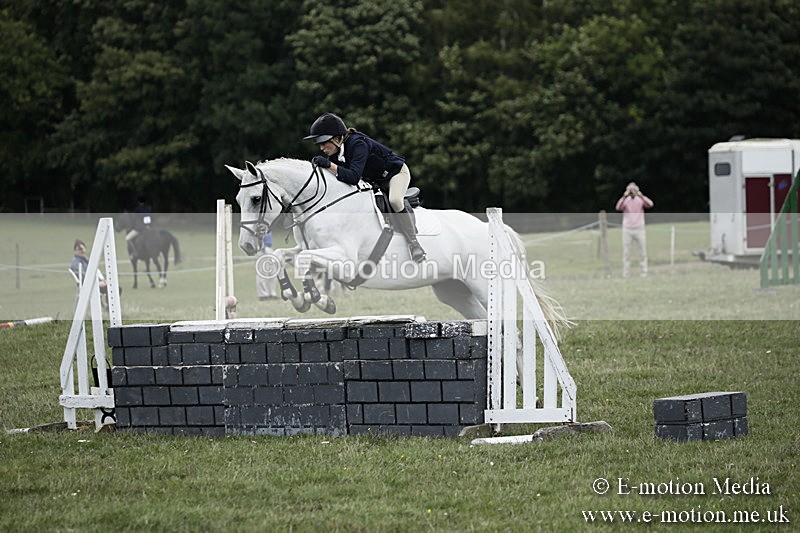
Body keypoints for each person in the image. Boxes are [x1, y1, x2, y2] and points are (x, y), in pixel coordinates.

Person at [304, 112, 426, 263]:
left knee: (394, 200)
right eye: (319, 144)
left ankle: (414, 244)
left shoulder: (357, 144)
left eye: (324, 143)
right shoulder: (336, 153)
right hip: (374, 180)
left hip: (395, 173)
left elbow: (353, 177)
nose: (322, 147)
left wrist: (329, 165)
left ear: (336, 138)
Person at [615, 182, 654, 277]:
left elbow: (650, 204)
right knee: (626, 253)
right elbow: (618, 207)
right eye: (630, 190)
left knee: (642, 252)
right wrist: (624, 196)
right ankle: (626, 274)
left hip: (639, 228)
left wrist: (641, 195)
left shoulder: (640, 200)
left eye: (634, 190)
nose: (632, 193)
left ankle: (644, 273)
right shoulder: (626, 200)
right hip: (627, 229)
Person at [256, 232, 278, 300]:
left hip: (269, 248)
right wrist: (262, 247)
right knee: (262, 273)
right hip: (263, 249)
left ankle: (272, 293)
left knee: (273, 273)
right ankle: (263, 295)